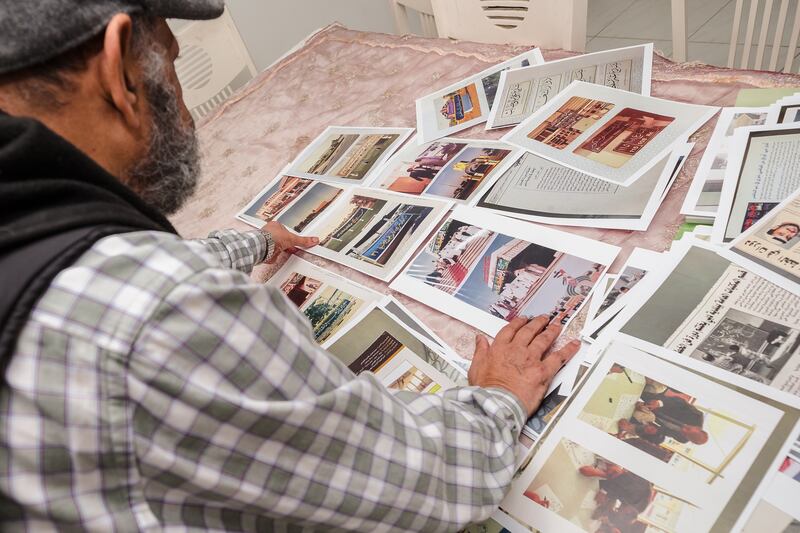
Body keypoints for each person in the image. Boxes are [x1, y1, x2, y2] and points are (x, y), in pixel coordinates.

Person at [0, 1, 579, 530]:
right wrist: (501, 393)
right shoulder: (164, 313)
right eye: (171, 66)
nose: (186, 112)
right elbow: (440, 483)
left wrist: (248, 243)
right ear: (119, 73)